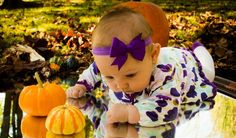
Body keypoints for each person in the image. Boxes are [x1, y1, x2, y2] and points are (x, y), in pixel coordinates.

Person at [67, 7, 217, 129]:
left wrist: (131, 112)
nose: (120, 85)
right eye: (110, 77)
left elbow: (167, 109)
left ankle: (199, 49)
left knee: (208, 73)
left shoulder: (164, 75)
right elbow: (94, 71)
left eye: (130, 75)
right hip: (165, 54)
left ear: (153, 56)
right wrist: (82, 85)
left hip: (186, 65)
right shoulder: (109, 67)